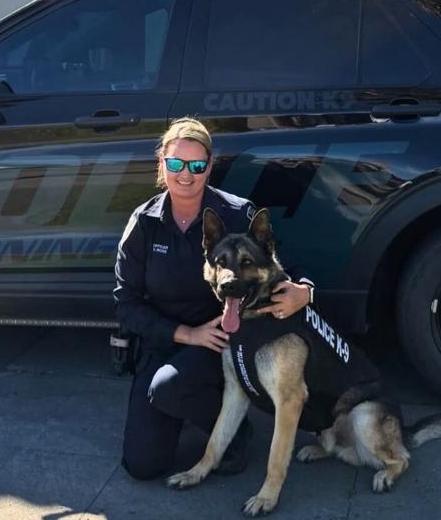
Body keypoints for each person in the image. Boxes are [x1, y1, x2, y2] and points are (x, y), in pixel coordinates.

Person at [115, 117, 315, 480]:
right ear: (162, 163)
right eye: (175, 164)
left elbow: (285, 262)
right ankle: (192, 410)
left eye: (196, 165)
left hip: (224, 339)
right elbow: (125, 305)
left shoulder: (237, 213)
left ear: (210, 165)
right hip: (165, 338)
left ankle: (234, 433)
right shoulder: (144, 222)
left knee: (169, 388)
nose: (186, 174)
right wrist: (185, 334)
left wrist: (305, 290)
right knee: (143, 465)